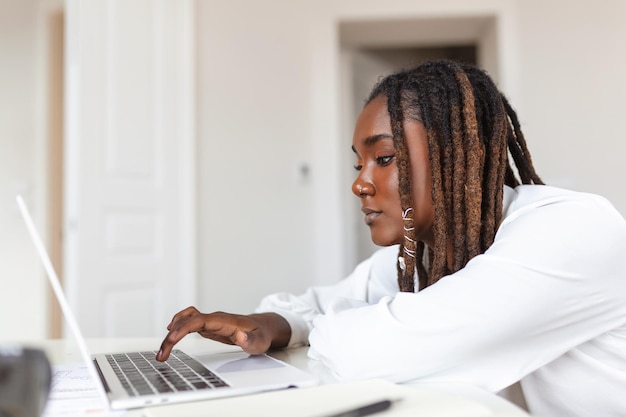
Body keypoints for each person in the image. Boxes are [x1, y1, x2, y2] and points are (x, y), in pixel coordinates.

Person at [156, 60, 626, 417]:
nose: (360, 183)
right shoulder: (426, 251)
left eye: (383, 158)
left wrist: (324, 326)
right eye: (358, 164)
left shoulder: (571, 231)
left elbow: (368, 351)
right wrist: (267, 325)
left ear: (457, 155)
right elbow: (318, 303)